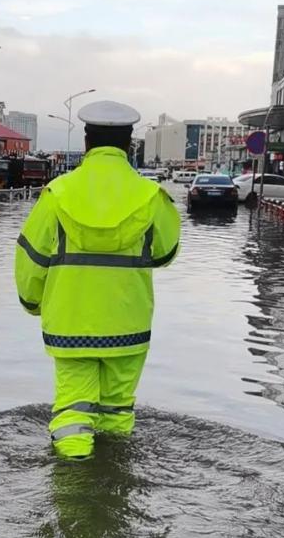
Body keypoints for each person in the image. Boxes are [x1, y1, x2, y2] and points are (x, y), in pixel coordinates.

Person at [15, 100, 181, 460]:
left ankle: (73, 480)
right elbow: (166, 254)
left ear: (87, 142)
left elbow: (30, 257)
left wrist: (32, 302)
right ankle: (111, 477)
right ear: (129, 143)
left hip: (70, 323)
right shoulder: (151, 195)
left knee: (72, 411)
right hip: (128, 324)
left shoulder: (57, 193)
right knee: (118, 411)